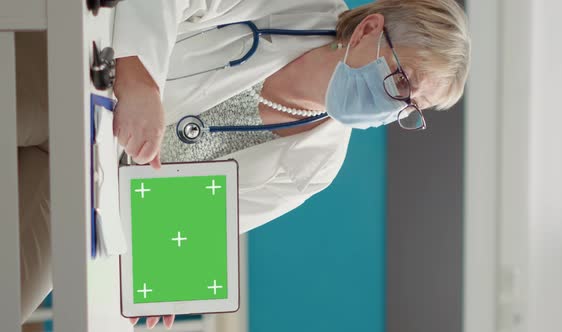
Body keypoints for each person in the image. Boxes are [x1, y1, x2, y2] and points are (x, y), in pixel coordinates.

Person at [16, 0, 470, 328]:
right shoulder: (294, 7)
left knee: (13, 296)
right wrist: (139, 83)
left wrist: (169, 267)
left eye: (410, 108)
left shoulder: (318, 166)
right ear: (370, 28)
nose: (391, 109)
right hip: (83, 81)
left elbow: (202, 219)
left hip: (89, 194)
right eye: (402, 80)